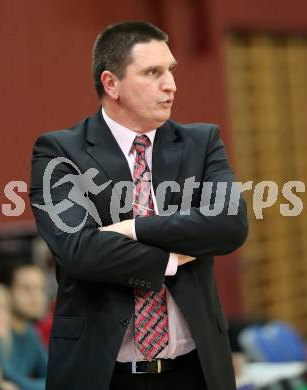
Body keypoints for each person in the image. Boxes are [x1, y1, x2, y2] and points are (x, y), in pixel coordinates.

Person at [29, 21, 248, 390]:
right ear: (111, 83)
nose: (171, 84)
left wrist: (132, 228)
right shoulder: (60, 151)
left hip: (196, 371)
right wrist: (171, 258)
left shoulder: (201, 141)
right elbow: (78, 250)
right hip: (103, 374)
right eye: (153, 72)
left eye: (171, 71)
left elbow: (229, 224)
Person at [0, 264, 48, 390]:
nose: (36, 296)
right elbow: (12, 381)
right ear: (6, 291)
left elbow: (51, 373)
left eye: (40, 288)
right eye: (26, 288)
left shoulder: (30, 331)